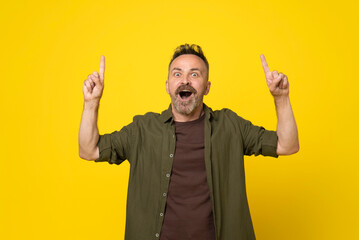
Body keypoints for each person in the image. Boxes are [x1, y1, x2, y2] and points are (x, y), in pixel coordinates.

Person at [78, 44, 299, 240]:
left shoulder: (231, 126)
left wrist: (281, 98)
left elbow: (287, 145)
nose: (185, 80)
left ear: (207, 87)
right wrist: (91, 103)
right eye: (177, 74)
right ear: (167, 85)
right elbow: (89, 150)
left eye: (195, 74)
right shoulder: (142, 129)